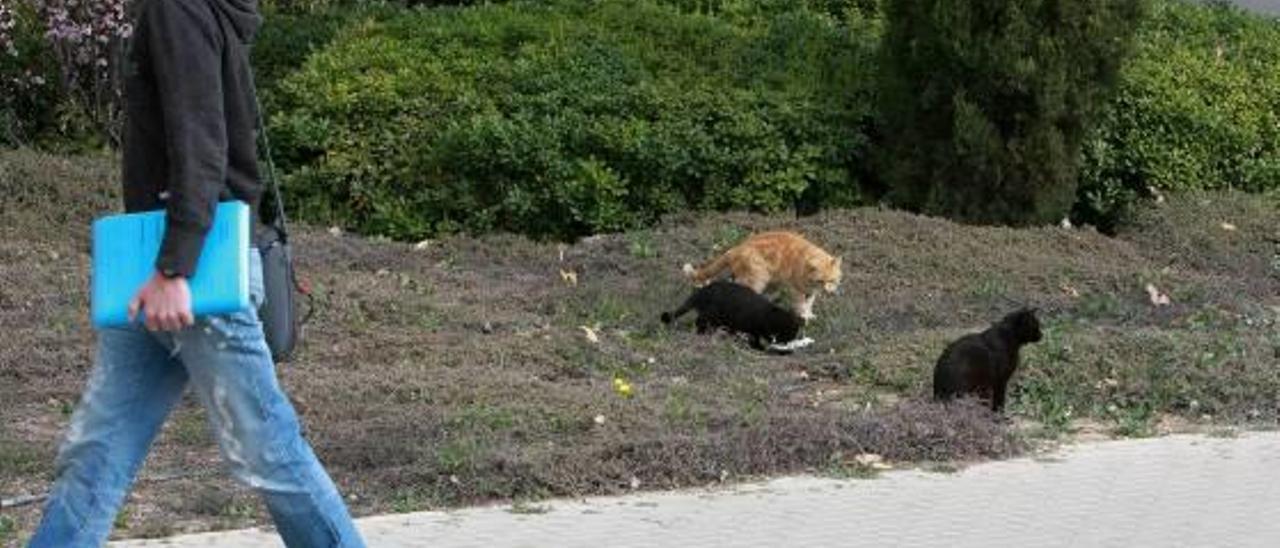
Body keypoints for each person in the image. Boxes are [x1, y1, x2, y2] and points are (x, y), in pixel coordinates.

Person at [28, 1, 366, 546]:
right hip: (157, 272)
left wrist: (175, 267)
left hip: (192, 274)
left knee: (269, 450)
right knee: (96, 450)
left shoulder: (176, 7)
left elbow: (202, 146)